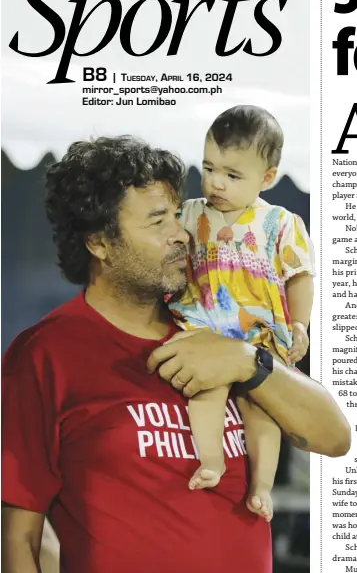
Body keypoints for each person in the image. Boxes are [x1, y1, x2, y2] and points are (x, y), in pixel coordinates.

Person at [2, 136, 350, 573]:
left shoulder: (217, 322)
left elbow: (335, 437)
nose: (181, 233)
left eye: (177, 214)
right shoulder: (45, 353)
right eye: (157, 221)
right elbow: (19, 536)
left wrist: (249, 361)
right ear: (99, 243)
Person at [168, 105, 315, 522]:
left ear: (266, 178)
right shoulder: (193, 213)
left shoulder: (281, 223)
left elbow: (299, 276)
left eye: (232, 176)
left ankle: (262, 486)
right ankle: (212, 460)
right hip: (204, 321)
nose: (216, 182)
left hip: (258, 330)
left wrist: (300, 323)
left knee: (262, 407)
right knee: (205, 390)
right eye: (209, 167)